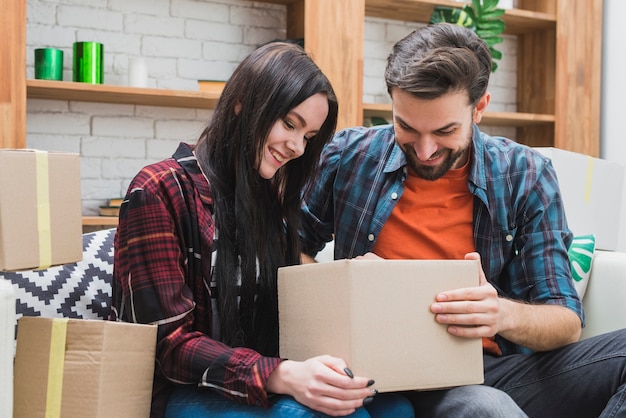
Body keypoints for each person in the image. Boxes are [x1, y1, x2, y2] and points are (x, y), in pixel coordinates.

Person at [299, 23, 626, 417]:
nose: (424, 149)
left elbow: (565, 320)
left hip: (486, 370)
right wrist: (347, 286)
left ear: (480, 108)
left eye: (445, 130)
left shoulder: (524, 173)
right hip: (373, 368)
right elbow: (285, 250)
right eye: (406, 127)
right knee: (488, 410)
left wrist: (501, 313)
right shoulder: (349, 155)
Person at [109, 42, 414, 418]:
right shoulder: (160, 188)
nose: (297, 147)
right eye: (290, 124)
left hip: (259, 381)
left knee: (395, 408)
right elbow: (167, 346)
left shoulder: (272, 201)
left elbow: (289, 316)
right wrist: (282, 375)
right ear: (242, 103)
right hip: (180, 390)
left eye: (309, 136)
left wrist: (354, 283)